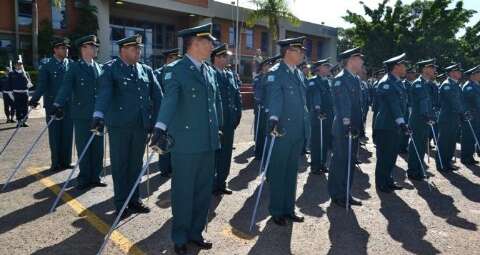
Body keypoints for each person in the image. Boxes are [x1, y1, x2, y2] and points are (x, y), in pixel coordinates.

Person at [149, 23, 221, 254]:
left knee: (203, 191)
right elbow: (169, 100)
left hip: (208, 142)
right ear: (195, 44)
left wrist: (216, 129)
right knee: (183, 191)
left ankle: (196, 232)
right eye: (208, 42)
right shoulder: (176, 69)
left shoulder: (208, 70)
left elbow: (212, 105)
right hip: (187, 143)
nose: (212, 46)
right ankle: (179, 236)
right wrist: (159, 127)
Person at [91, 34, 163, 218]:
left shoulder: (145, 70)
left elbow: (158, 97)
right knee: (120, 165)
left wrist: (156, 123)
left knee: (136, 165)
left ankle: (134, 199)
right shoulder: (111, 69)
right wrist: (98, 115)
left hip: (140, 126)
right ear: (123, 51)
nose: (138, 51)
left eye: (139, 49)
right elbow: (104, 94)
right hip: (120, 127)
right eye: (134, 49)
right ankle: (121, 203)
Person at [264, 36, 309, 226]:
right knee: (279, 171)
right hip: (281, 131)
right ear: (289, 52)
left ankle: (289, 208)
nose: (302, 54)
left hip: (297, 130)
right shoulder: (276, 73)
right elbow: (275, 98)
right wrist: (273, 119)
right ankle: (276, 210)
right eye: (299, 51)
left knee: (292, 171)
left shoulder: (298, 73)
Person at [53, 35, 106, 190]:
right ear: (84, 48)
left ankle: (95, 176)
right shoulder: (75, 67)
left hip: (98, 115)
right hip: (82, 115)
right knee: (84, 147)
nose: (96, 48)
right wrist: (58, 104)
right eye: (93, 46)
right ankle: (84, 178)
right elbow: (66, 87)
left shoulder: (99, 67)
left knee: (98, 148)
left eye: (96, 46)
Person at [29, 37, 74, 172]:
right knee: (55, 135)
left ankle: (66, 161)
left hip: (68, 106)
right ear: (55, 50)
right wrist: (34, 99)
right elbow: (42, 85)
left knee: (67, 134)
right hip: (53, 106)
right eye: (62, 48)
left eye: (67, 48)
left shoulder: (71, 65)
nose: (66, 50)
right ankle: (55, 162)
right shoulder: (47, 66)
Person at [328, 47, 364, 208]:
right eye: (359, 59)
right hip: (344, 127)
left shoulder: (355, 79)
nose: (362, 62)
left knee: (349, 161)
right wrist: (348, 124)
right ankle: (337, 195)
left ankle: (346, 193)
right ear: (351, 60)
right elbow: (343, 105)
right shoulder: (340, 79)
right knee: (340, 161)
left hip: (353, 127)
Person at [373, 53, 410, 193]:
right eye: (403, 65)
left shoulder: (397, 81)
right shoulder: (386, 83)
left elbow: (401, 106)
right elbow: (393, 104)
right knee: (384, 156)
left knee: (392, 155)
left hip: (394, 125)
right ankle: (381, 183)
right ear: (396, 67)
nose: (406, 67)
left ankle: (388, 179)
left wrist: (402, 122)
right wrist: (402, 122)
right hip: (386, 125)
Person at [211, 43, 242, 196]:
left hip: (229, 121)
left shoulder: (229, 74)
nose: (226, 59)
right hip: (216, 121)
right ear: (216, 58)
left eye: (226, 56)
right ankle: (212, 183)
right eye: (224, 56)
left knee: (226, 153)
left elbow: (236, 96)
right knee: (214, 154)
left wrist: (238, 114)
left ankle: (222, 182)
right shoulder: (210, 73)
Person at [407, 59, 437, 180]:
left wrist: (431, 115)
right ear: (424, 69)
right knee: (416, 145)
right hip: (418, 119)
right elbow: (423, 102)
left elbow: (432, 103)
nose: (434, 70)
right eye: (431, 67)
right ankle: (413, 171)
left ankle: (418, 169)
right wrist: (427, 115)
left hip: (425, 119)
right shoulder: (419, 84)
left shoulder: (428, 84)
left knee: (421, 146)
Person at [436, 63, 470, 172]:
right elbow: (454, 102)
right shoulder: (447, 85)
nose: (460, 73)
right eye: (457, 71)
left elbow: (461, 101)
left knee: (451, 142)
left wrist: (464, 112)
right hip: (447, 118)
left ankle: (447, 162)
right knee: (444, 142)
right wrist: (463, 113)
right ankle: (441, 164)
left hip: (454, 118)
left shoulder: (455, 85)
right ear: (451, 73)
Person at [154, 48, 181, 178]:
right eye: (172, 58)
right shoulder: (157, 74)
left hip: (176, 115)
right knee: (163, 141)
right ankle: (164, 169)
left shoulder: (178, 72)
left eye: (176, 58)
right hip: (162, 113)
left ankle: (173, 166)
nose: (174, 60)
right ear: (166, 60)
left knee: (174, 140)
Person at [307, 58, 333, 174]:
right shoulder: (313, 81)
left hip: (328, 116)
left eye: (328, 66)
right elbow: (315, 96)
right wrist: (318, 109)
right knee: (317, 141)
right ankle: (315, 165)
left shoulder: (329, 81)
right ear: (318, 68)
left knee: (325, 140)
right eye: (326, 66)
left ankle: (322, 163)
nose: (328, 68)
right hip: (318, 116)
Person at [460, 65, 480, 165]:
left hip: (475, 115)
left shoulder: (476, 85)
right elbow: (476, 101)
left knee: (473, 137)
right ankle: (465, 157)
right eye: (478, 73)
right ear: (473, 75)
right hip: (470, 116)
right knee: (468, 137)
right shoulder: (469, 86)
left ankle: (470, 156)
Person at [9, 56, 31, 127]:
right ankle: (19, 121)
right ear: (15, 65)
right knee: (18, 108)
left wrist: (26, 78)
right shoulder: (11, 73)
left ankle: (24, 121)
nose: (19, 65)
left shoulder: (26, 73)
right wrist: (10, 94)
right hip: (16, 93)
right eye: (17, 64)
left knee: (25, 108)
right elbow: (9, 84)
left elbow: (29, 84)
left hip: (25, 93)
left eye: (20, 64)